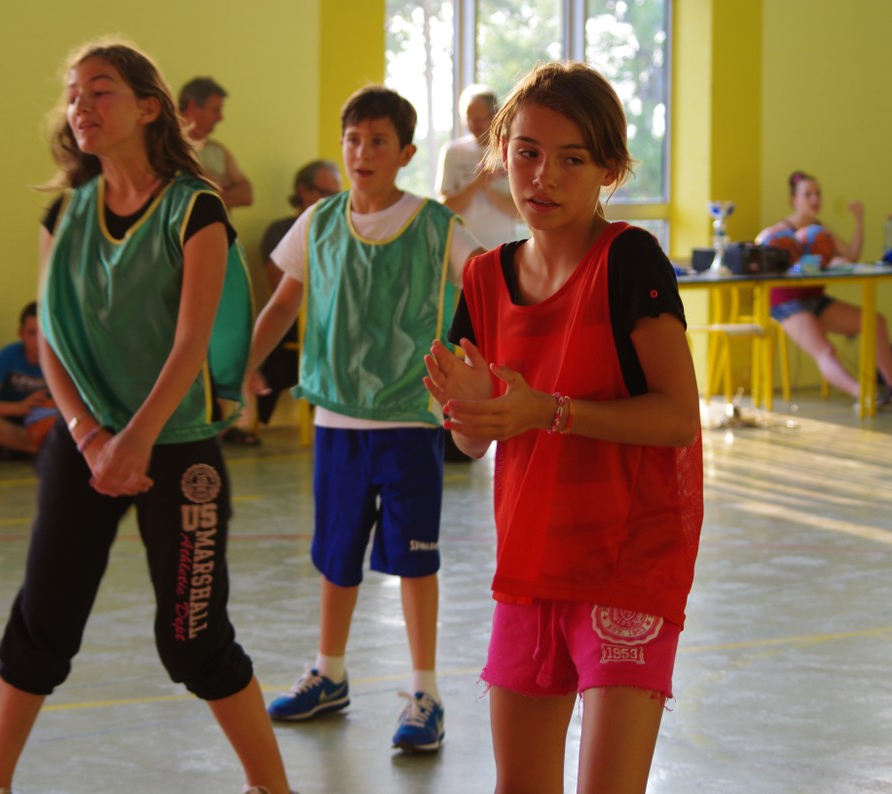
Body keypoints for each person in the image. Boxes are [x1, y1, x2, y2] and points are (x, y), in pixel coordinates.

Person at [0, 41, 292, 794]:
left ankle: (271, 787)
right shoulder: (65, 213)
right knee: (42, 625)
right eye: (74, 93)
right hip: (86, 444)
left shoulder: (196, 206)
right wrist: (90, 437)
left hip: (175, 445)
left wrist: (137, 439)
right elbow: (53, 335)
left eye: (100, 90)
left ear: (149, 107)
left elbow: (192, 340)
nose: (80, 105)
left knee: (194, 641)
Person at [422, 61, 702, 794]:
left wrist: (547, 410)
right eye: (527, 153)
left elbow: (678, 417)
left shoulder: (628, 260)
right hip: (531, 562)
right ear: (501, 154)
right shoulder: (484, 279)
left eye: (572, 159)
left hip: (629, 561)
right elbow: (471, 441)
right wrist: (472, 409)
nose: (543, 176)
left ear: (608, 170)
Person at [246, 84, 482, 752]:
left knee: (415, 560)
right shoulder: (318, 222)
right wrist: (238, 370)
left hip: (411, 418)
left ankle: (426, 692)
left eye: (379, 141)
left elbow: (487, 288)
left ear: (405, 153)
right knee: (337, 554)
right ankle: (330, 673)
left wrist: (485, 376)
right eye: (353, 139)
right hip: (336, 420)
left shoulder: (436, 226)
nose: (363, 151)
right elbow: (282, 305)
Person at [756, 171, 892, 405]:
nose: (815, 199)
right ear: (794, 200)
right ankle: (864, 394)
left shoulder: (821, 231)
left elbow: (851, 256)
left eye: (818, 194)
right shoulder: (780, 231)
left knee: (875, 322)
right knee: (825, 351)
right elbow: (759, 246)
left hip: (815, 299)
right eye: (808, 194)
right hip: (786, 302)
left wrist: (859, 222)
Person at [241, 160, 342, 439]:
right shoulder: (281, 229)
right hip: (298, 320)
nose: (332, 202)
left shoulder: (343, 229)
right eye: (326, 193)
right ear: (303, 191)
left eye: (337, 195)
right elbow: (280, 286)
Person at [0, 301, 57, 460]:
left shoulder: (59, 360)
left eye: (44, 333)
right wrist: (20, 407)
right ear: (20, 334)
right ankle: (37, 449)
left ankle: (14, 450)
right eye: (32, 333)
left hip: (46, 420)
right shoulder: (9, 355)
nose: (39, 341)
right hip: (13, 421)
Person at [435, 84, 519, 248]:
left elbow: (520, 213)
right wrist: (475, 184)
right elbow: (444, 209)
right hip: (461, 248)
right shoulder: (453, 151)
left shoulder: (512, 151)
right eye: (469, 119)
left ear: (495, 116)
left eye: (480, 119)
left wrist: (487, 188)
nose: (474, 125)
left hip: (502, 248)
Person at [178, 76, 253, 208]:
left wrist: (207, 195)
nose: (221, 117)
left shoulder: (219, 151)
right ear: (192, 107)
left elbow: (246, 195)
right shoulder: (167, 148)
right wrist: (222, 188)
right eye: (215, 109)